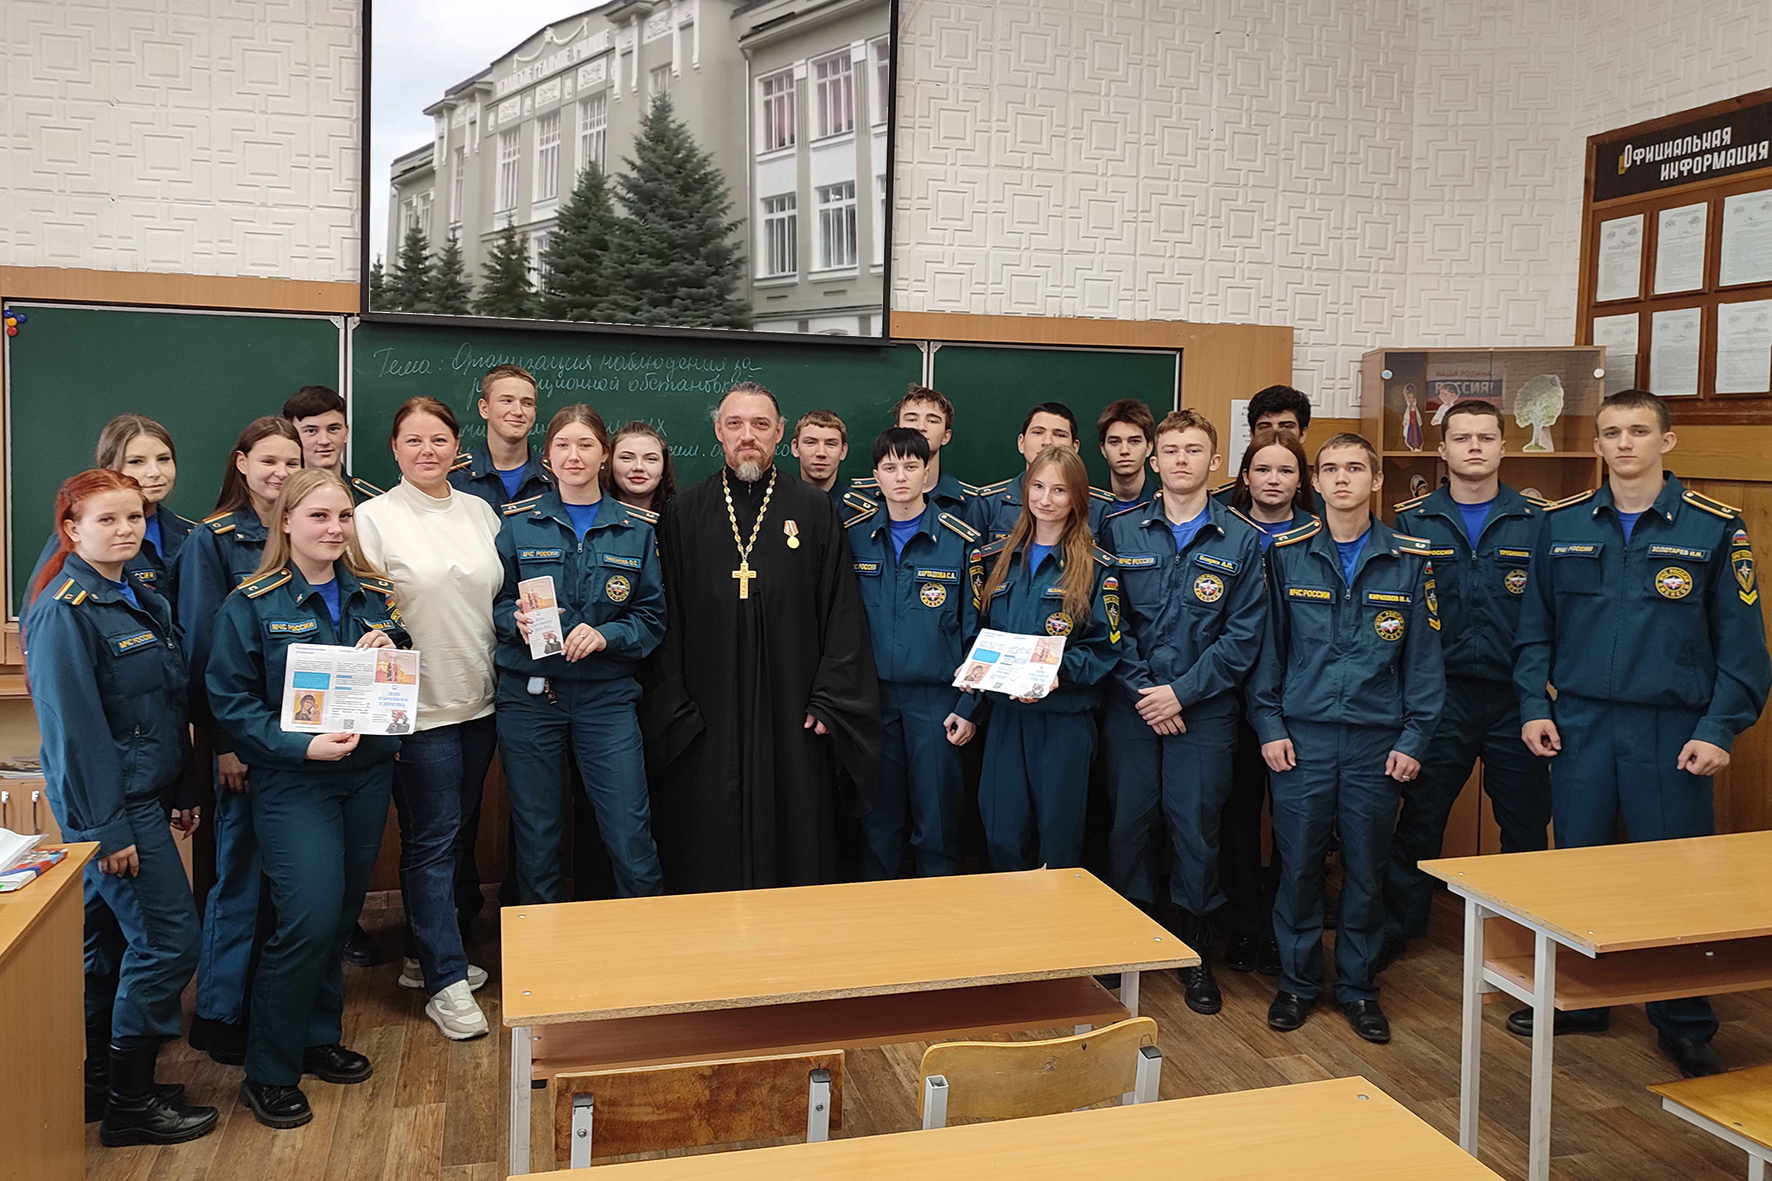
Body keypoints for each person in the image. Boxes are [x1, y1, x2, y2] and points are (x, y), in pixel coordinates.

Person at [1512, 389, 1771, 1078]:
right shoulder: (1561, 523)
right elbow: (1534, 629)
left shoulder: (1714, 527)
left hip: (1672, 728)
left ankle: (1683, 1019)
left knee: (1677, 879)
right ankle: (1583, 999)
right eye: (1611, 432)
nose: (1624, 443)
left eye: (1638, 430)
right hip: (1581, 724)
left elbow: (1744, 650)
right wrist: (1533, 706)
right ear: (1597, 444)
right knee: (1579, 865)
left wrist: (1720, 728)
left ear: (1666, 441)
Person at [205, 468, 407, 1128]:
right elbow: (230, 702)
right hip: (295, 782)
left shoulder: (375, 593)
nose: (334, 528)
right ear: (286, 522)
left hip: (366, 774)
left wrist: (391, 648)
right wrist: (299, 746)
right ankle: (269, 1069)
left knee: (341, 912)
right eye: (319, 516)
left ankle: (318, 1036)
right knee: (307, 919)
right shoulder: (252, 602)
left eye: (344, 516)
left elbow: (397, 670)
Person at [23, 469, 218, 1147]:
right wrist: (105, 831)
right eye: (106, 519)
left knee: (106, 943)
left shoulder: (138, 594)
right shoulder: (65, 610)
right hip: (113, 808)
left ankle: (98, 1083)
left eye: (133, 517)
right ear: (71, 529)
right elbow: (75, 735)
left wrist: (184, 789)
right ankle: (131, 1105)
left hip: (148, 793)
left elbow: (164, 706)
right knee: (168, 942)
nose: (125, 529)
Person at [645, 382, 879, 892]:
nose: (746, 435)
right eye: (735, 424)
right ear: (718, 432)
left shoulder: (814, 510)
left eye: (759, 425)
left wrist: (830, 698)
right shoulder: (684, 512)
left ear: (779, 433)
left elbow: (841, 609)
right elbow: (666, 616)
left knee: (796, 821)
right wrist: (677, 703)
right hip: (708, 710)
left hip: (793, 706)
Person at [1250, 432, 1443, 1044]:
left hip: (1375, 743)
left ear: (1376, 481)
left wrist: (1414, 739)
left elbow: (1424, 662)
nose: (1341, 479)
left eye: (1355, 468)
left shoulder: (1410, 558)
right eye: (1330, 469)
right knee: (1299, 866)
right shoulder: (1287, 554)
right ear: (1316, 481)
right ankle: (1298, 984)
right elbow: (1268, 652)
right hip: (1301, 740)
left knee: (1366, 869)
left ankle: (1359, 988)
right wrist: (1270, 726)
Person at [1099, 411, 1265, 1015]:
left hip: (1205, 712)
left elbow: (1244, 637)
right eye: (1170, 450)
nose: (1181, 460)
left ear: (1214, 462)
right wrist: (1148, 691)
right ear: (1154, 460)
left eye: (1193, 450)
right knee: (1130, 827)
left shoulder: (1243, 539)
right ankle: (1129, 948)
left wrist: (1182, 693)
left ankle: (1196, 955)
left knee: (1196, 830)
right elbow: (1109, 621)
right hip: (1133, 708)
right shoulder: (1120, 530)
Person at [1383, 401, 1552, 965]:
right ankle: (1397, 931)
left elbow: (1551, 611)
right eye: (1462, 438)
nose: (1474, 447)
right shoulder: (1414, 521)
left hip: (1516, 696)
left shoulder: (1537, 521)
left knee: (1524, 824)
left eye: (1485, 437)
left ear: (1504, 447)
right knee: (1420, 817)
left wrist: (1541, 692)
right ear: (1443, 450)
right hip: (1441, 696)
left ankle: (1525, 944)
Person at [356, 397, 501, 1040]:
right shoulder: (373, 518)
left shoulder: (479, 511)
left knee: (454, 835)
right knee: (433, 841)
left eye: (438, 439)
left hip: (481, 699)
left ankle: (423, 954)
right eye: (413, 440)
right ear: (394, 448)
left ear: (456, 447)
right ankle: (445, 982)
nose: (427, 451)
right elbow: (366, 613)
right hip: (417, 710)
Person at [494, 405, 667, 903]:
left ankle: (652, 940)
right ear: (547, 457)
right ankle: (541, 949)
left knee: (629, 832)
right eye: (563, 445)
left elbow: (652, 617)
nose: (574, 455)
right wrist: (513, 621)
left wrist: (607, 635)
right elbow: (495, 604)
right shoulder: (517, 525)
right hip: (530, 698)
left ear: (604, 455)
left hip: (606, 700)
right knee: (537, 836)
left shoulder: (635, 529)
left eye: (586, 445)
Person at [177, 416, 302, 1066]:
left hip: (299, 740)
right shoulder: (215, 539)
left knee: (284, 882)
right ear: (242, 463)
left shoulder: (309, 527)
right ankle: (220, 1013)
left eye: (292, 462)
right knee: (239, 875)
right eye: (269, 461)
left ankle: (264, 1005)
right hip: (242, 737)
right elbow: (204, 651)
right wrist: (224, 742)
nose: (280, 473)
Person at [968, 445, 1120, 871]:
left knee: (1059, 841)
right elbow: (981, 635)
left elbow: (1106, 648)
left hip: (1062, 721)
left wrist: (1058, 673)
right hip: (1005, 719)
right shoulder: (996, 560)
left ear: (1077, 498)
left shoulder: (1095, 567)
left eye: (1059, 490)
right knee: (1002, 835)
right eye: (1037, 486)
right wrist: (971, 694)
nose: (1045, 499)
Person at [844, 427, 982, 878]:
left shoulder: (960, 541)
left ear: (927, 473)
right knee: (877, 821)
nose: (900, 476)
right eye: (890, 467)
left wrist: (968, 704)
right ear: (875, 476)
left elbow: (976, 630)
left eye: (910, 466)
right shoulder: (854, 537)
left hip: (937, 702)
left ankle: (939, 913)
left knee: (937, 822)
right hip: (872, 701)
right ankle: (879, 914)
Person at [1218, 428, 1316, 976]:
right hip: (1231, 697)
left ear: (1301, 481)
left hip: (1295, 699)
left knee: (1293, 827)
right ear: (1245, 477)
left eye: (1285, 470)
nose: (1273, 479)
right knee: (1236, 817)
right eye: (1262, 469)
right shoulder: (1225, 529)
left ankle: (1285, 931)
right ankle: (1243, 926)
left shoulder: (1318, 534)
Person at [31, 415, 196, 605]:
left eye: (164, 459)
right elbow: (42, 611)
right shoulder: (80, 540)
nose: (155, 472)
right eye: (136, 462)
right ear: (109, 469)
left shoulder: (191, 534)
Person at [972, 402, 1116, 541]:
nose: (1047, 442)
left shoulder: (1099, 509)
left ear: (1075, 447)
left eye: (1059, 434)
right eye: (1038, 432)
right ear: (1021, 442)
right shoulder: (988, 504)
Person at [850, 386, 980, 521]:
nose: (921, 427)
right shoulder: (861, 498)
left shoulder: (972, 504)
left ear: (946, 436)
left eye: (932, 421)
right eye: (911, 419)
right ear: (897, 430)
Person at [449, 364, 552, 511]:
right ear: (484, 409)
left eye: (527, 403)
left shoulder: (556, 478)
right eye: (507, 401)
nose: (518, 411)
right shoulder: (453, 477)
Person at [1213, 385, 1324, 513]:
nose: (1275, 434)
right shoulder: (1220, 505)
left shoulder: (1325, 505)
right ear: (1252, 435)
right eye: (1265, 428)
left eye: (1286, 427)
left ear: (1302, 434)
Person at [282, 385, 384, 503]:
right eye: (311, 431)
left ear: (346, 433)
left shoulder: (372, 504)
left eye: (333, 429)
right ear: (292, 436)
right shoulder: (279, 497)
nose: (324, 441)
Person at [1097, 399, 1160, 514]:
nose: (1124, 451)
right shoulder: (1090, 506)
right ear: (1103, 449)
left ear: (1149, 447)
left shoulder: (1165, 505)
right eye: (1115, 442)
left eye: (1134, 441)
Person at [608, 421, 678, 516]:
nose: (639, 467)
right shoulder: (593, 517)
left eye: (651, 459)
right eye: (627, 458)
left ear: (664, 467)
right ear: (610, 463)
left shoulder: (682, 516)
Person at [792, 409, 850, 511]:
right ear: (795, 448)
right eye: (810, 443)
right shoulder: (776, 504)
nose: (821, 453)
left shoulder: (864, 513)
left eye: (831, 444)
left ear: (843, 451)